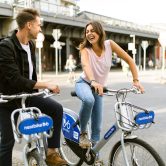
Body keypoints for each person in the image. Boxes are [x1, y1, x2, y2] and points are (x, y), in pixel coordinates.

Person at [0, 8, 67, 166]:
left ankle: (51, 153)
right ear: (29, 25)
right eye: (39, 25)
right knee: (7, 142)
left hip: (28, 96)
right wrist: (46, 84)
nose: (41, 28)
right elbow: (16, 79)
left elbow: (30, 76)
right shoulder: (5, 46)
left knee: (56, 109)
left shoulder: (29, 45)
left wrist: (41, 87)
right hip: (8, 101)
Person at [75, 21, 144, 150]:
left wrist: (136, 80)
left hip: (98, 88)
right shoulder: (85, 49)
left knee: (97, 127)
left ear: (100, 32)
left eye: (92, 30)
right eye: (87, 31)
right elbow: (86, 65)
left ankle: (95, 157)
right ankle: (82, 133)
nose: (89, 33)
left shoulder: (109, 44)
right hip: (84, 83)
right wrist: (93, 81)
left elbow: (129, 60)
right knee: (89, 100)